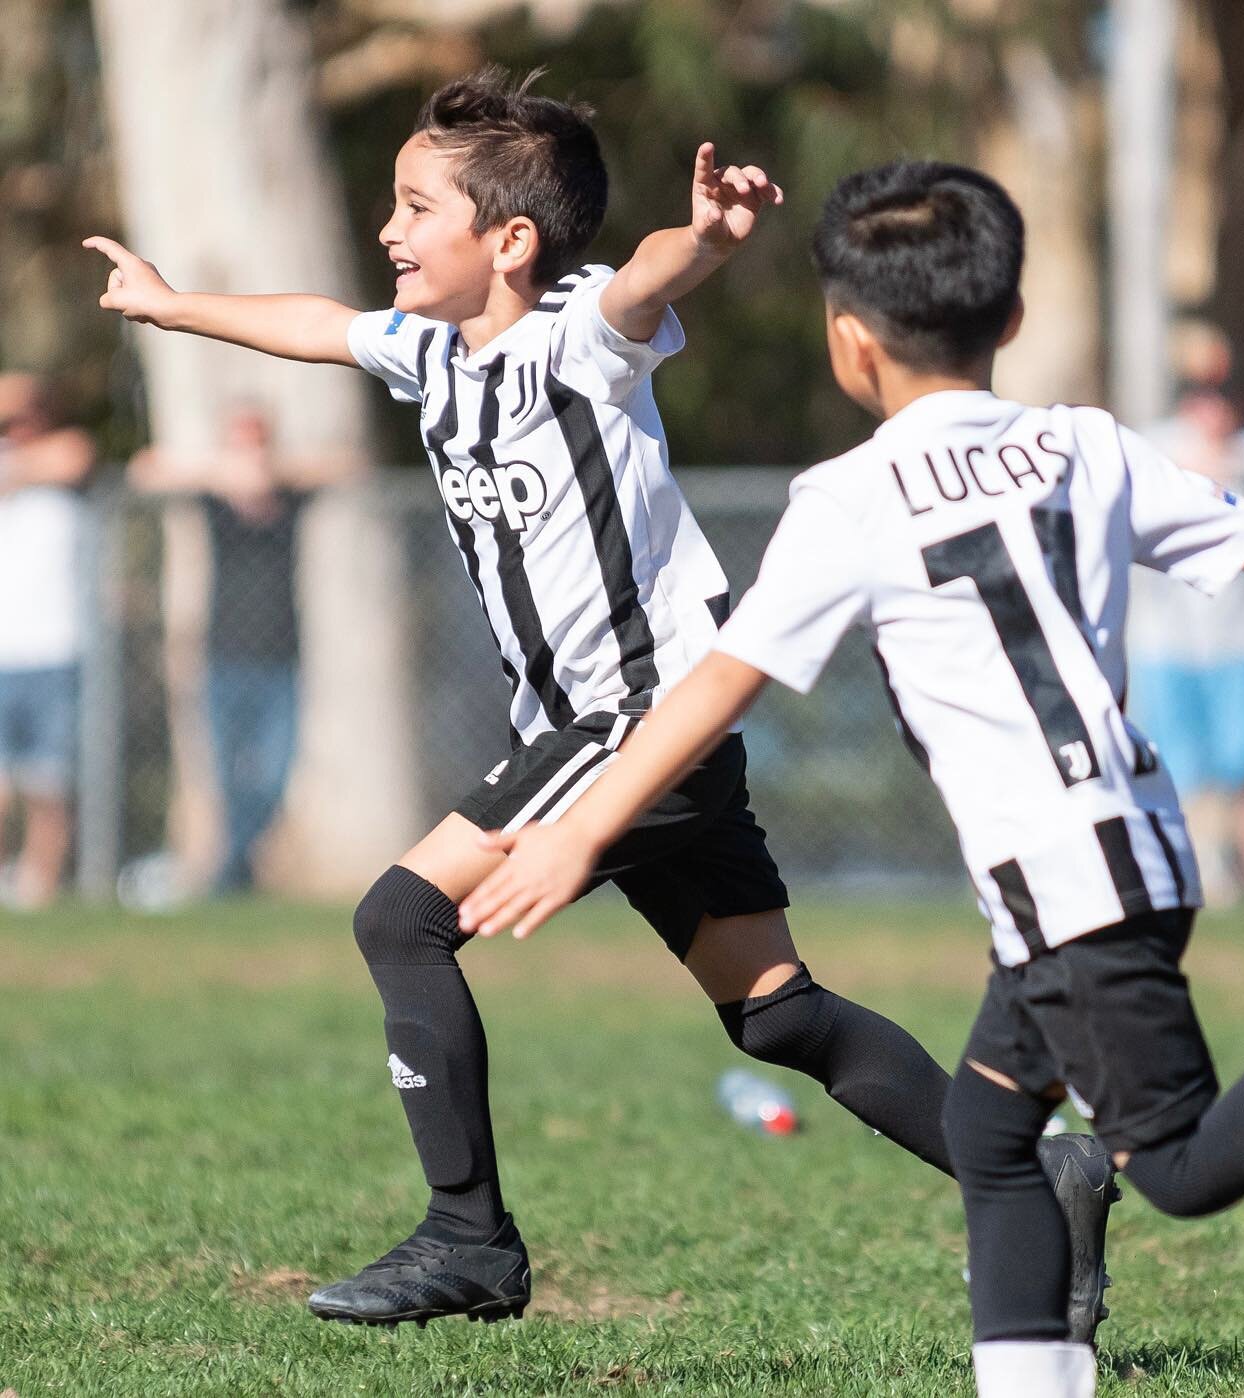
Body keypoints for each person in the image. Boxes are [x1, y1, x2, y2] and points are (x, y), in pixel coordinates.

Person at [84, 70, 1115, 1336]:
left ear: (510, 242)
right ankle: (1039, 1169)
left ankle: (470, 1240)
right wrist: (170, 306)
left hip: (643, 716)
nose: (390, 232)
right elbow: (316, 322)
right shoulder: (427, 353)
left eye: (415, 207)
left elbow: (644, 280)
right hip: (625, 734)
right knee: (779, 1013)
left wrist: (711, 240)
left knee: (400, 920)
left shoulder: (576, 338)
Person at [460, 161, 1244, 1398]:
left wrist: (579, 833)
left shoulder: (850, 498)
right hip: (1126, 845)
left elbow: (716, 685)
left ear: (850, 347)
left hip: (1068, 878)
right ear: (1009, 321)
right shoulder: (1085, 446)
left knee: (1169, 1163)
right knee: (990, 1133)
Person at [129, 404, 348, 893]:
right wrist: (222, 473)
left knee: (273, 779)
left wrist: (271, 473)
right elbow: (144, 470)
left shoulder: (289, 496)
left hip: (282, 661)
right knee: (226, 783)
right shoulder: (214, 499)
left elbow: (350, 464)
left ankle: (230, 870)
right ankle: (233, 876)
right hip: (222, 660)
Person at [1127, 378, 1244, 909]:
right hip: (1165, 648)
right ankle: (1194, 886)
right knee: (1179, 775)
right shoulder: (1153, 456)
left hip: (1237, 648)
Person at [0, 373, 96, 908]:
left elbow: (72, 456)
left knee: (48, 785)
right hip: (2, 652)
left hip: (56, 651)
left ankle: (38, 893)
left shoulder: (67, 453)